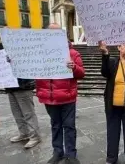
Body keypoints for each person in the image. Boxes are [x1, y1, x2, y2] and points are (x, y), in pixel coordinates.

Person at [36, 23, 85, 164]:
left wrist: (74, 67)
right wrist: (16, 63)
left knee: (69, 126)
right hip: (49, 97)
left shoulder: (73, 53)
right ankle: (58, 152)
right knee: (55, 126)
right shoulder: (38, 52)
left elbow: (82, 73)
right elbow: (28, 69)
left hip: (67, 97)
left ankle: (71, 154)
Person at [0, 42, 41, 149]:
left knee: (28, 113)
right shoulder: (1, 58)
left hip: (23, 87)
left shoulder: (20, 55)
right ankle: (24, 133)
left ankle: (35, 136)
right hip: (10, 88)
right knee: (17, 113)